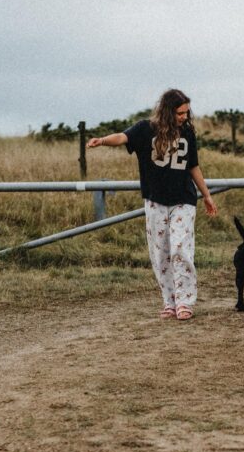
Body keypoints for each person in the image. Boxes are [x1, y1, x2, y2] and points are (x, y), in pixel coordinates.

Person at [87, 89, 217, 321]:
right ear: (167, 111)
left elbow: (193, 165)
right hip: (156, 200)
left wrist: (206, 195)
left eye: (186, 112)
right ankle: (169, 301)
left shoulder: (187, 131)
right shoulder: (145, 129)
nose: (184, 117)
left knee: (180, 248)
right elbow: (122, 137)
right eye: (179, 113)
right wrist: (102, 141)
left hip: (183, 199)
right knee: (161, 253)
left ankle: (185, 301)